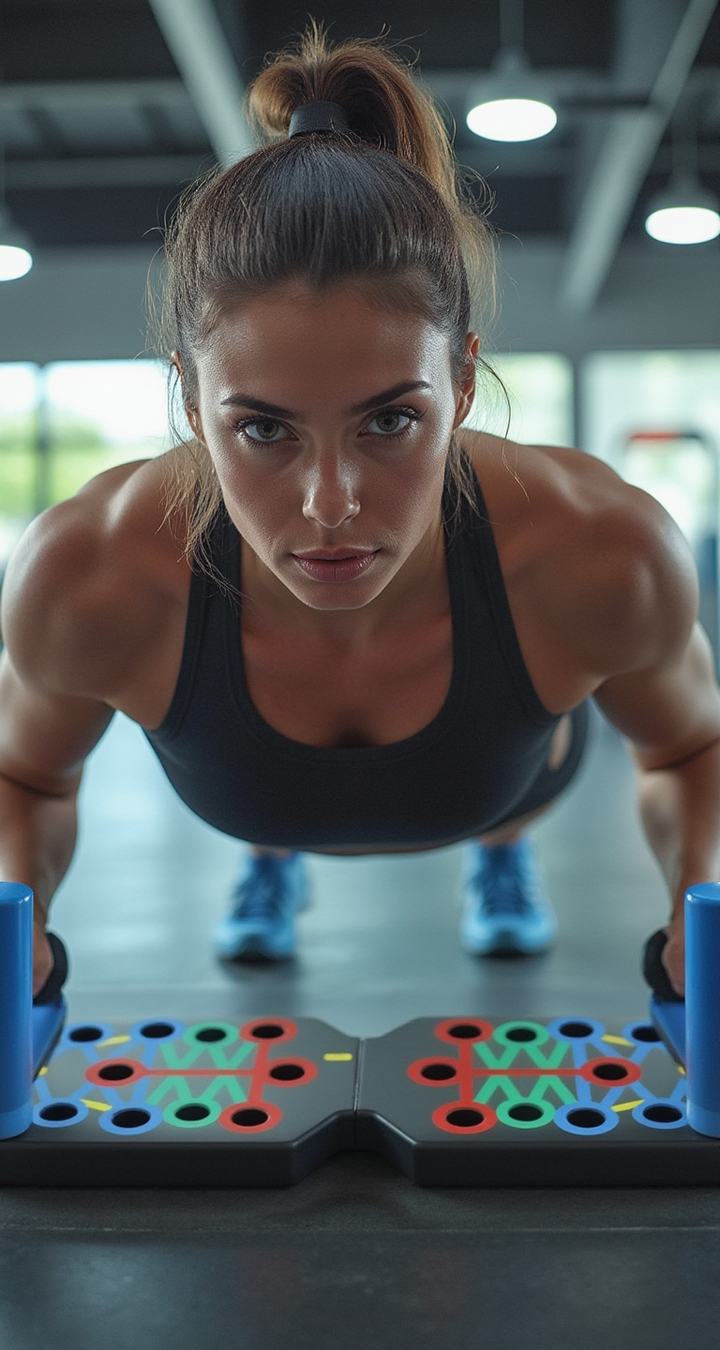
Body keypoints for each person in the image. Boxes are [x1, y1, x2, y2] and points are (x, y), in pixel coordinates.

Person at [1, 26, 719, 1004]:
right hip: (255, 784)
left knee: (506, 772)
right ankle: (273, 851)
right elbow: (26, 777)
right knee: (265, 800)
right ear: (187, 399)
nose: (330, 504)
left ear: (463, 382)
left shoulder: (601, 551)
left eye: (390, 420)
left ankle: (497, 851)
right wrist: (14, 913)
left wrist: (702, 900)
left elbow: (689, 747)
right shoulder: (91, 574)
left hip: (505, 776)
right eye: (263, 430)